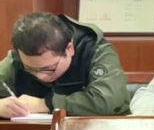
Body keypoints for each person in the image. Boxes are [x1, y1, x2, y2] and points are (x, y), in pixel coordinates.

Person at [0, 12, 129, 119]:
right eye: (30, 69)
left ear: (69, 49)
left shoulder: (96, 51)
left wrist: (45, 104)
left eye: (49, 69)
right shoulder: (15, 60)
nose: (41, 76)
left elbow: (105, 101)